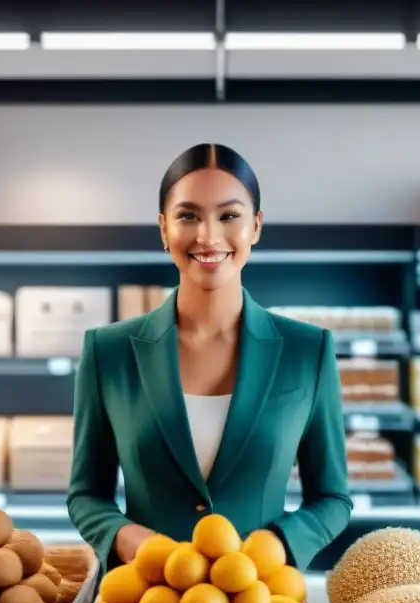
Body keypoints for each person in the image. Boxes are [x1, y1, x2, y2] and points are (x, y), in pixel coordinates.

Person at [67, 143, 352, 571]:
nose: (208, 235)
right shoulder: (108, 352)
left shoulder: (307, 351)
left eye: (229, 216)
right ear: (164, 229)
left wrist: (274, 548)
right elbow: (87, 494)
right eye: (188, 216)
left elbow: (332, 498)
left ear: (255, 226)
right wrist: (135, 544)